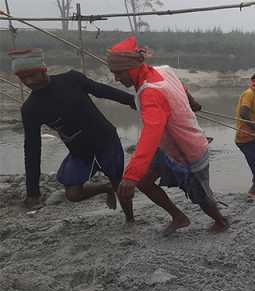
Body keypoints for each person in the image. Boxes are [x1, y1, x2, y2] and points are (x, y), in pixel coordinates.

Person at [107, 36, 227, 236]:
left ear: (133, 68)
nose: (116, 78)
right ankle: (179, 217)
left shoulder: (150, 94)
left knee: (202, 198)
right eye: (113, 73)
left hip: (188, 151)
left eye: (119, 73)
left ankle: (221, 222)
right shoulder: (164, 69)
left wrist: (130, 175)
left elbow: (150, 135)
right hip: (166, 147)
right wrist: (192, 102)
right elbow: (182, 86)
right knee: (144, 182)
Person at [11, 48, 136, 220]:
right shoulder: (31, 108)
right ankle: (105, 188)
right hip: (80, 152)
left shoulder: (71, 79)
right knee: (73, 194)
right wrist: (33, 192)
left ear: (42, 70)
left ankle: (130, 220)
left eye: (32, 75)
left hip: (106, 140)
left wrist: (133, 101)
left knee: (118, 182)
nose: (29, 81)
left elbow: (102, 90)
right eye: (23, 78)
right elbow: (32, 150)